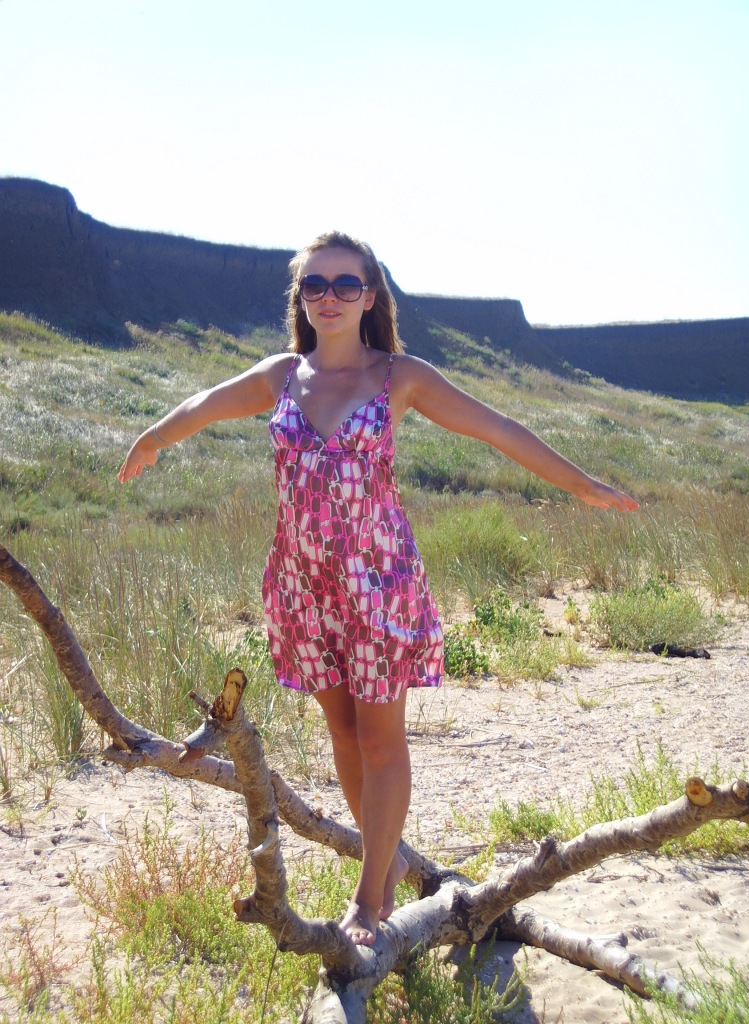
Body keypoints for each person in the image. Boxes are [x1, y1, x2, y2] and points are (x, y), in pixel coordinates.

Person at [119, 230, 638, 946]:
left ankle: (370, 901)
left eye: (345, 284)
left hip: (378, 583)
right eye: (315, 284)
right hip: (302, 584)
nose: (329, 297)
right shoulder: (281, 376)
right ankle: (384, 859)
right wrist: (152, 438)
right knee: (342, 731)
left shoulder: (401, 377)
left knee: (381, 741)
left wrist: (580, 484)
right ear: (301, 297)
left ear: (370, 297)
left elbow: (497, 428)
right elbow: (206, 402)